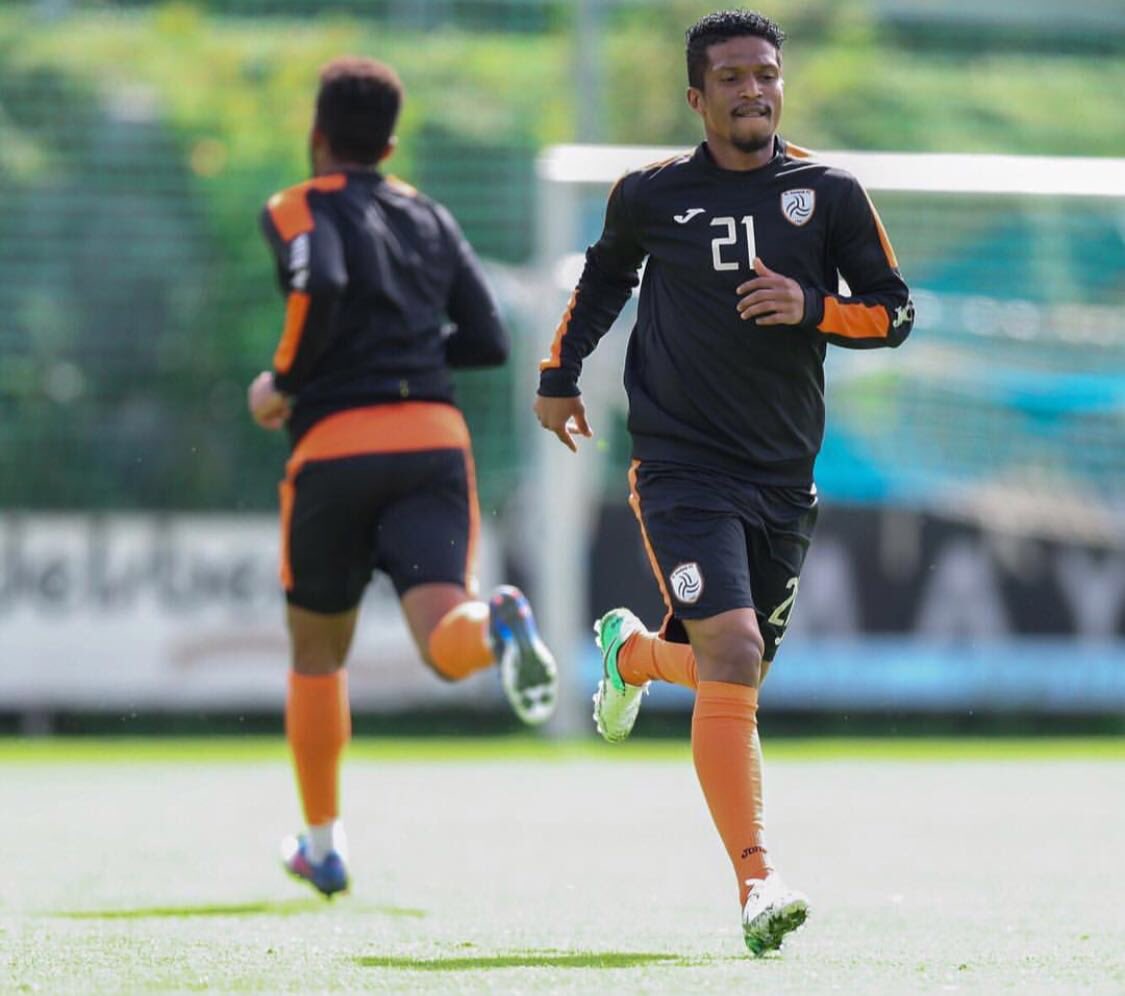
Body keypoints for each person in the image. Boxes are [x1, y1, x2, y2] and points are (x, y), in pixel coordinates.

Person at [534, 9, 913, 955]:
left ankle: (630, 657)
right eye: (733, 77)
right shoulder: (650, 194)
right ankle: (756, 881)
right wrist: (558, 374)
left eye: (766, 74)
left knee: (725, 669)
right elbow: (603, 281)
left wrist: (810, 306)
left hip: (782, 479)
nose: (754, 90)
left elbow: (894, 314)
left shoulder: (827, 193)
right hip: (679, 467)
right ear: (696, 98)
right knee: (734, 654)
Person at [249, 55, 558, 898]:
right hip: (431, 440)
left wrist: (286, 382)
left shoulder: (295, 206)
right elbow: (488, 339)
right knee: (444, 637)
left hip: (336, 446)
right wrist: (409, 359)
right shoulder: (427, 214)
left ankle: (323, 845)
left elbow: (322, 280)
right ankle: (496, 627)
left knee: (318, 654)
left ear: (316, 134)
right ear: (388, 144)